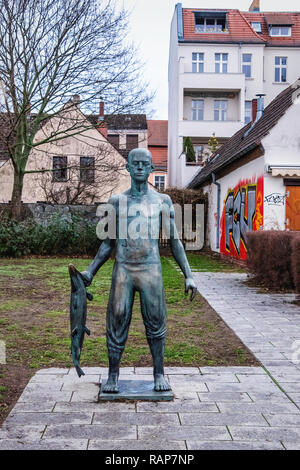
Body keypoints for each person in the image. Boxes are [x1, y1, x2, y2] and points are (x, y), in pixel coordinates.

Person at [81, 148, 197, 393]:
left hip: (150, 270)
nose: (141, 168)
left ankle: (159, 373)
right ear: (128, 168)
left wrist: (189, 275)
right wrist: (90, 272)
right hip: (123, 269)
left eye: (146, 164)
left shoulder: (161, 201)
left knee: (156, 323)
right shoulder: (116, 202)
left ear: (153, 168)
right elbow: (107, 243)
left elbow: (175, 241)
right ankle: (113, 375)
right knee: (117, 319)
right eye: (136, 164)